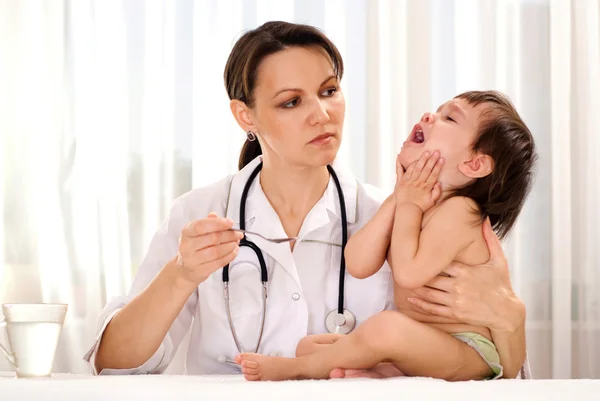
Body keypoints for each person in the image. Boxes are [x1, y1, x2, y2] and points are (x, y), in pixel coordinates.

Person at [84, 21, 528, 379]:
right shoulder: (200, 213)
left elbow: (497, 374)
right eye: (291, 102)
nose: (321, 114)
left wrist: (511, 317)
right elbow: (115, 362)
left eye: (329, 91)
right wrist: (181, 275)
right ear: (246, 116)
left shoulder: (400, 216)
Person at [235, 90, 536, 381]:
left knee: (386, 328)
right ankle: (379, 368)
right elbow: (357, 262)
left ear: (474, 164)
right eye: (438, 109)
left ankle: (298, 369)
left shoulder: (460, 211)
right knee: (310, 344)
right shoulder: (408, 200)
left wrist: (407, 205)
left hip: (469, 349)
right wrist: (398, 198)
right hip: (421, 343)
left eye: (450, 119)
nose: (429, 116)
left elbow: (408, 273)